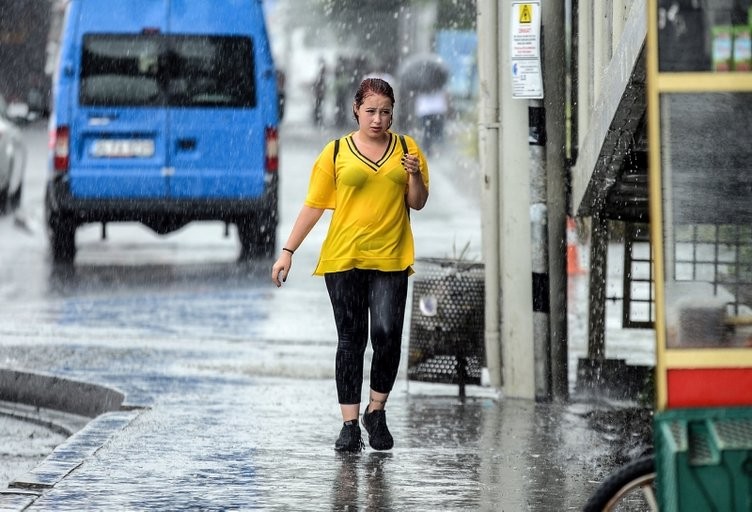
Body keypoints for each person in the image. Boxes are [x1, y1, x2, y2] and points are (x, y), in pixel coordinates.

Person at [271, 78, 429, 452]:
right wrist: (287, 251)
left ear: (393, 113)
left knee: (388, 335)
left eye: (385, 112)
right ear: (356, 109)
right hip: (344, 259)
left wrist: (415, 174)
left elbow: (418, 202)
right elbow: (314, 205)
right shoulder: (336, 151)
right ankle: (349, 424)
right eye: (371, 111)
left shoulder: (408, 149)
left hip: (391, 257)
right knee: (351, 340)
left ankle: (377, 410)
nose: (377, 119)